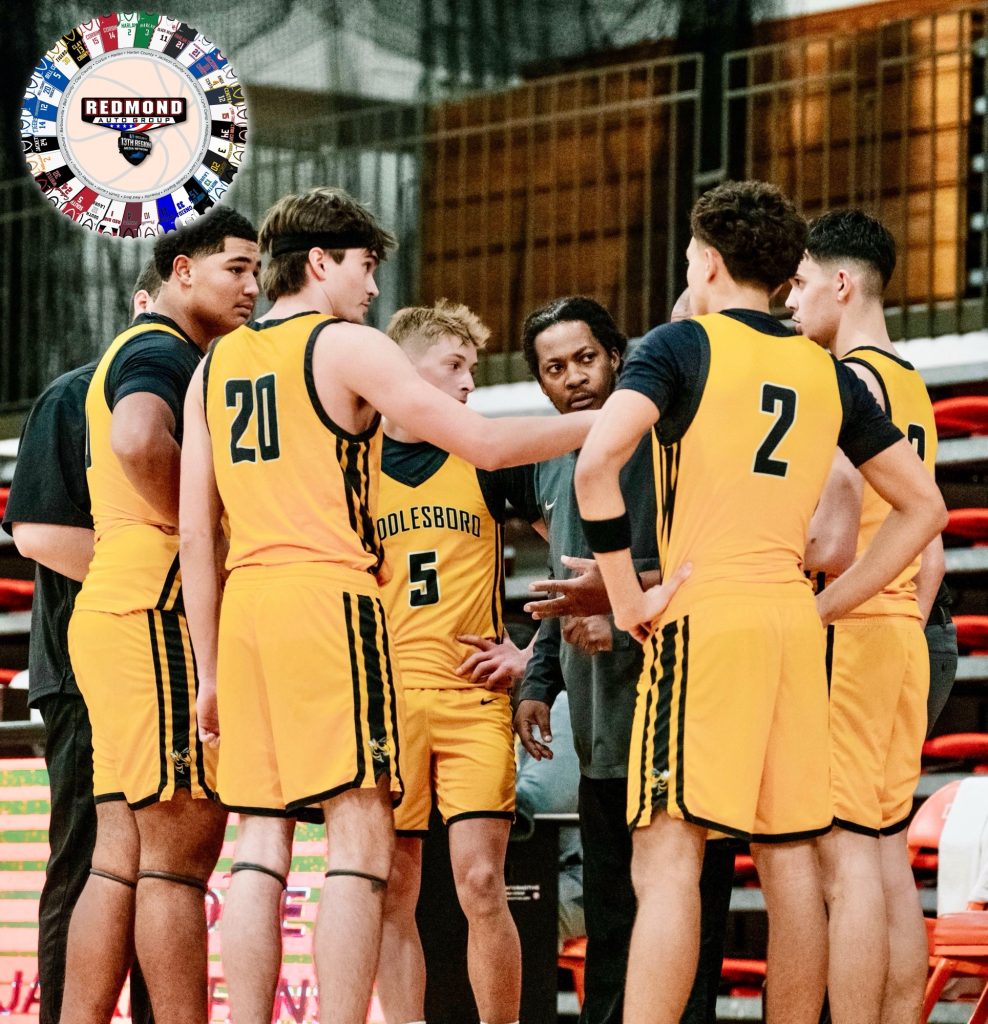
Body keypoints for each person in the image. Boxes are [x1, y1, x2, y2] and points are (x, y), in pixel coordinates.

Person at [178, 186, 595, 1024]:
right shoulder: (345, 344)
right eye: (365, 266)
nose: (373, 287)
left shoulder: (213, 366)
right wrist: (606, 419)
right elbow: (483, 440)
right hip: (329, 597)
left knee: (259, 843)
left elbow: (196, 531)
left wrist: (209, 670)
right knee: (362, 844)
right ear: (321, 262)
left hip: (249, 602)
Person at [572, 179, 946, 1024]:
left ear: (707, 262)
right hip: (791, 622)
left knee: (666, 860)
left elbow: (595, 466)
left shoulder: (679, 344)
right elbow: (925, 508)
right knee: (790, 866)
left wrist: (627, 599)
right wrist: (828, 605)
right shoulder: (824, 368)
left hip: (706, 614)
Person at [513, 295, 734, 1024]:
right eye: (554, 368)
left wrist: (622, 612)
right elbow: (564, 582)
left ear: (616, 355)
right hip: (599, 735)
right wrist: (537, 680)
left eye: (585, 358)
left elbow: (705, 565)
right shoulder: (552, 460)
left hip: (674, 718)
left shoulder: (669, 444)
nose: (573, 377)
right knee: (611, 925)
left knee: (686, 918)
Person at [64, 209, 261, 1024]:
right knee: (181, 860)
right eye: (236, 268)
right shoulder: (163, 349)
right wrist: (207, 527)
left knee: (120, 859)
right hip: (156, 609)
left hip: (114, 608)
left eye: (257, 272)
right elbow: (140, 440)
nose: (251, 287)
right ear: (182, 272)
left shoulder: (140, 348)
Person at [788, 209, 942, 1024]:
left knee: (842, 867)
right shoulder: (911, 382)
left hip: (848, 636)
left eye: (801, 283)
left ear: (841, 284)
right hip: (899, 636)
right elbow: (931, 552)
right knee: (886, 860)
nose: (791, 301)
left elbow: (834, 532)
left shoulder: (846, 382)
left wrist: (816, 608)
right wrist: (893, 617)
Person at [373, 300, 543, 1024]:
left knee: (481, 882)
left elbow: (578, 547)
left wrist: (531, 651)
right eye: (454, 365)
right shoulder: (352, 464)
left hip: (472, 698)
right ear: (403, 371)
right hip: (388, 701)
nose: (471, 382)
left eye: (472, 367)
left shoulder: (487, 457)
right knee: (394, 887)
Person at [2, 261, 161, 1024]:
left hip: (166, 666)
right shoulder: (74, 395)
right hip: (83, 669)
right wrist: (160, 574)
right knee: (87, 861)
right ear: (144, 300)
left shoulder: (195, 395)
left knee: (164, 867)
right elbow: (35, 533)